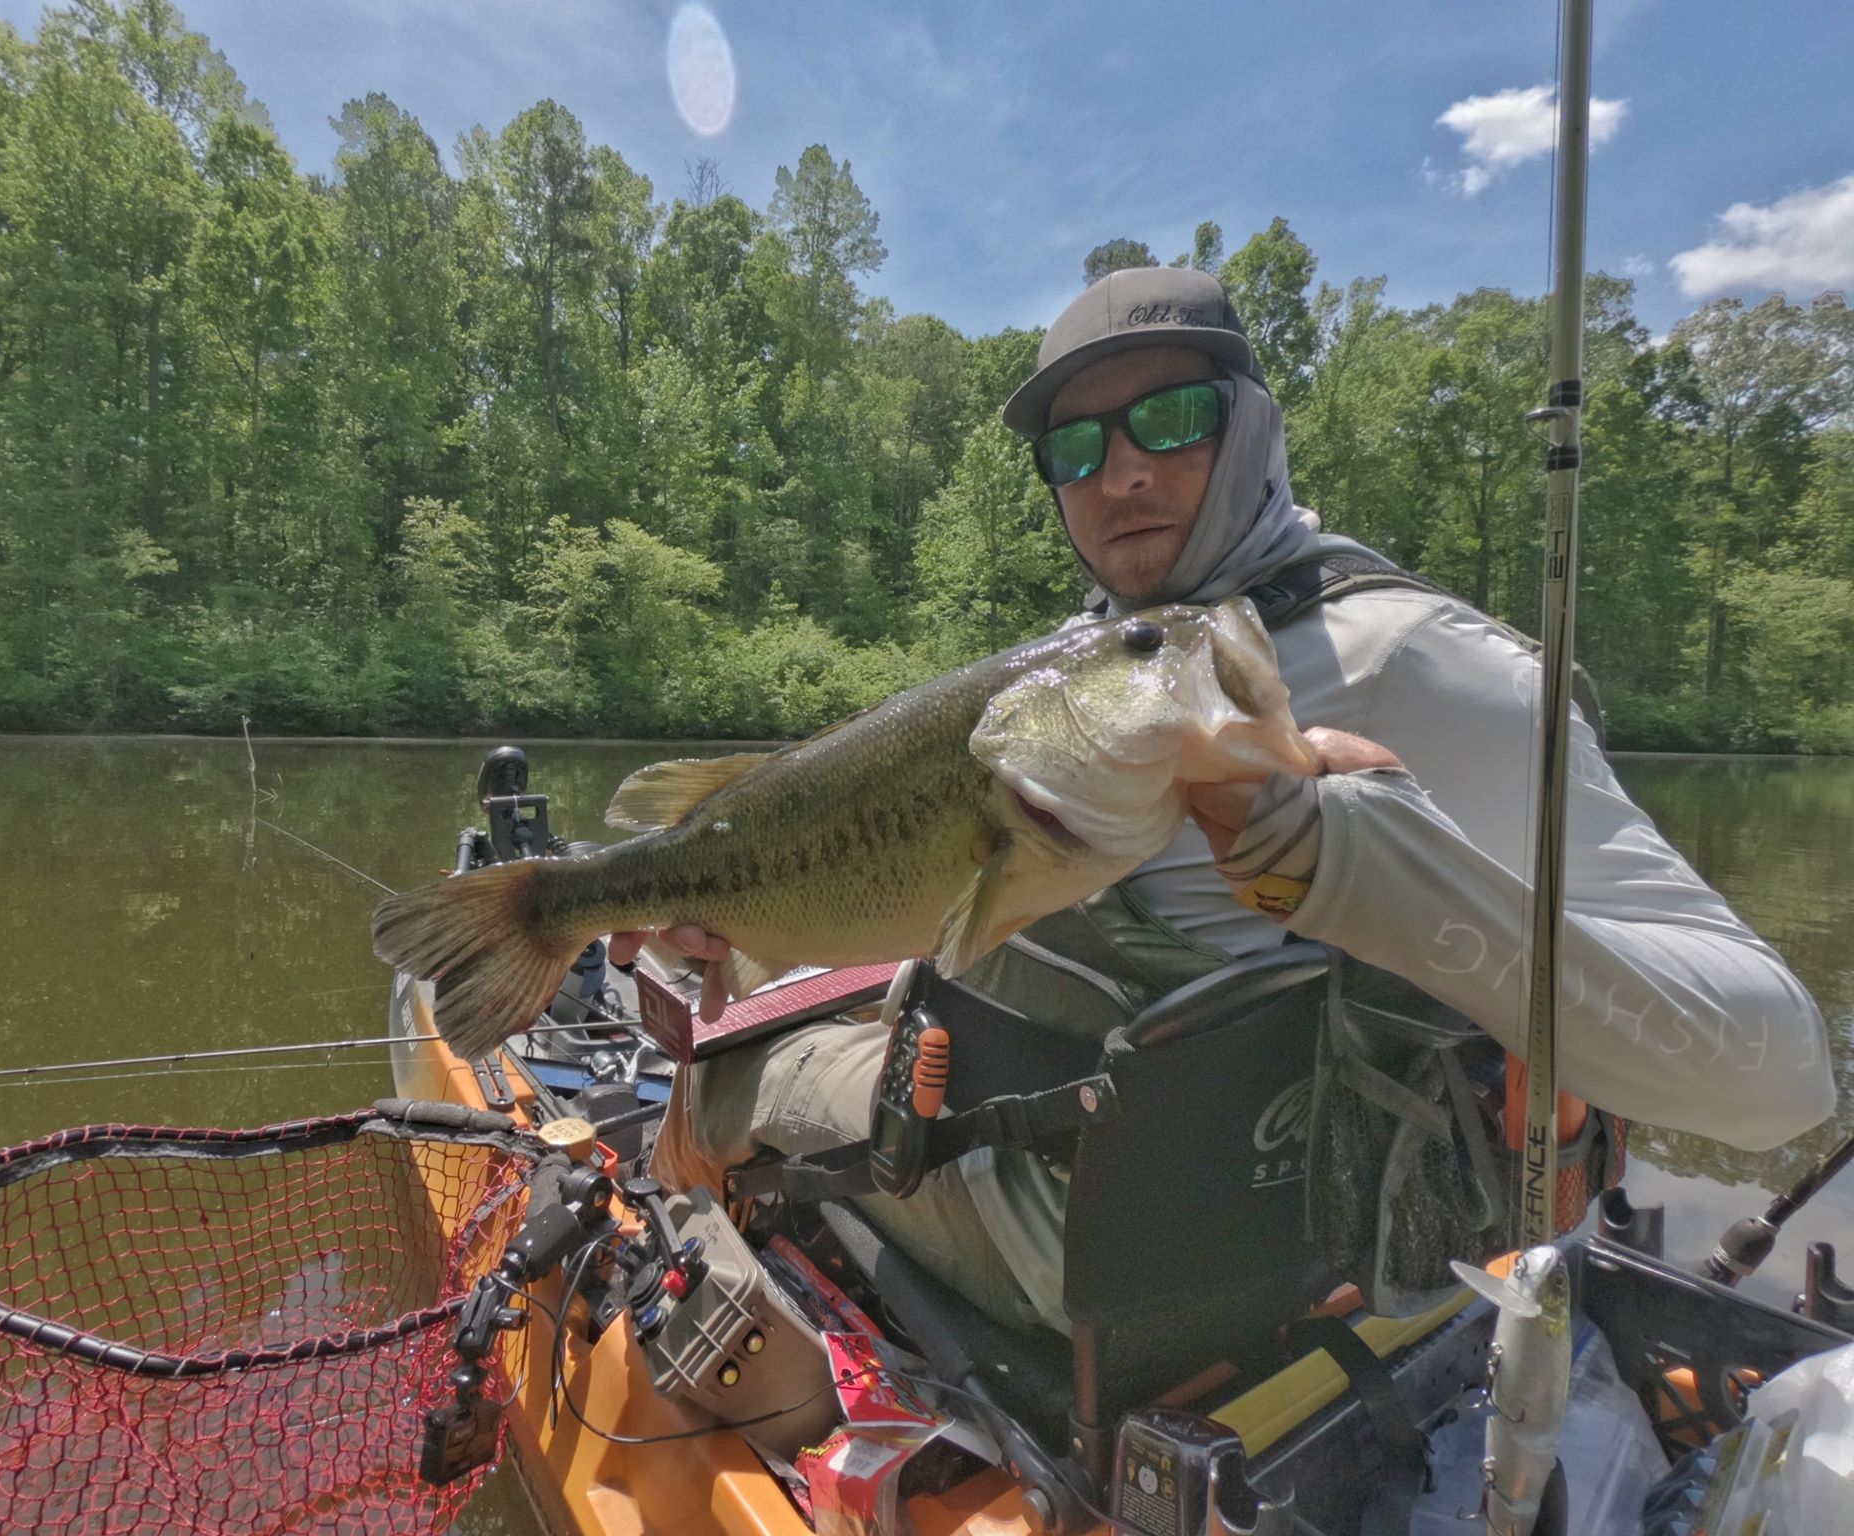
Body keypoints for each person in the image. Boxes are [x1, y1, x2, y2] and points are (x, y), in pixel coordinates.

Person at [611, 267, 1836, 1336]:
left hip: (1121, 1247)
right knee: (773, 1007)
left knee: (713, 1075)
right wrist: (748, 913)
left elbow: (1780, 1076)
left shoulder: (1416, 664)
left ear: (1251, 426)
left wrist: (1361, 864)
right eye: (1076, 449)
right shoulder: (1083, 670)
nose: (1121, 472)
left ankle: (676, 1273)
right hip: (1092, 1162)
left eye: (1170, 417)